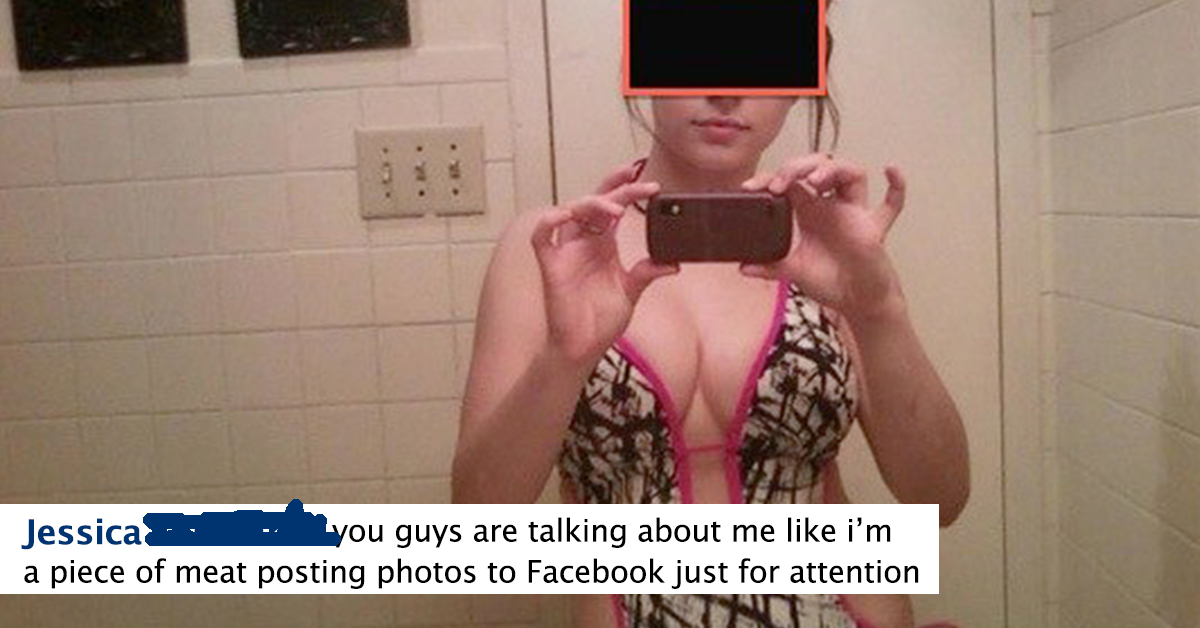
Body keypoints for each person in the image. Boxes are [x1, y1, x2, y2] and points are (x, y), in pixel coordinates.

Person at [451, 24, 969, 628]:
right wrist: (565, 358)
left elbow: (940, 499)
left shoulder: (829, 242)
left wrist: (879, 309)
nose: (725, 89)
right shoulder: (555, 248)